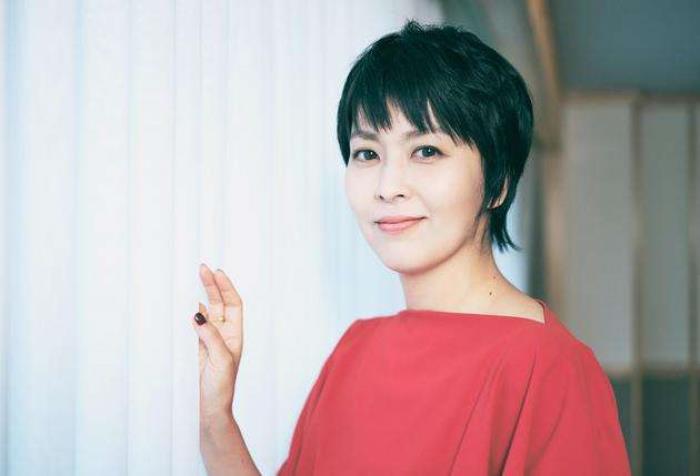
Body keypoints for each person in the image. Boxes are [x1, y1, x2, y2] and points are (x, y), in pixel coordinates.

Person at [191, 20, 632, 475]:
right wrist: (215, 418)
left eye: (426, 151)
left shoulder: (550, 366)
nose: (388, 186)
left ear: (498, 182)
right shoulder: (354, 350)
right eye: (367, 153)